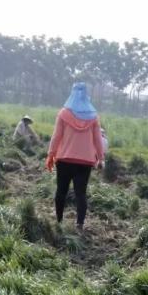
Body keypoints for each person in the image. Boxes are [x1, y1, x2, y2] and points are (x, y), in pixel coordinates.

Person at [46, 82, 105, 231]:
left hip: (64, 159)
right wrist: (101, 158)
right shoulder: (93, 117)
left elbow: (56, 136)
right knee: (81, 194)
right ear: (86, 95)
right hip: (85, 162)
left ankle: (59, 221)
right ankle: (80, 224)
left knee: (61, 191)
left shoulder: (64, 114)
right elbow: (98, 139)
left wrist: (51, 154)